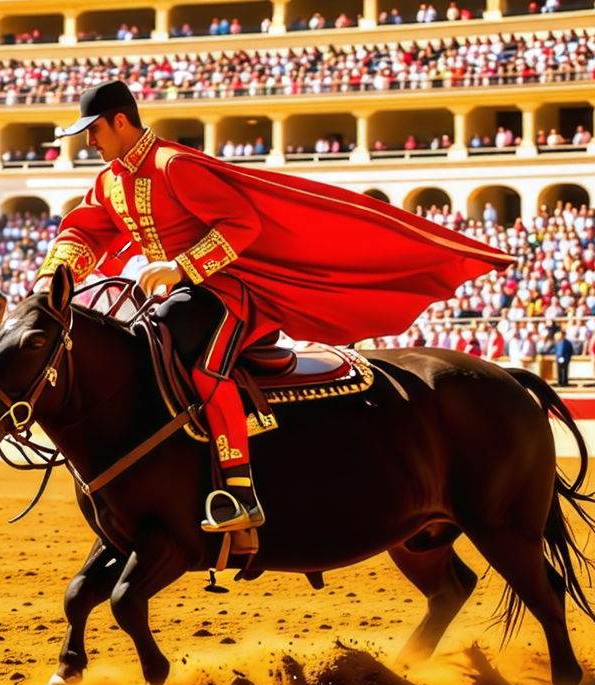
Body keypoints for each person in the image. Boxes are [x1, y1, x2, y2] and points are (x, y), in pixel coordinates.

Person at [34, 80, 510, 534]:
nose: (89, 142)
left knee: (201, 368)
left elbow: (241, 226)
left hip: (225, 293)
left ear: (120, 122)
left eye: (92, 131)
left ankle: (239, 492)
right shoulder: (110, 181)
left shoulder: (175, 165)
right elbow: (84, 232)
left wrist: (181, 268)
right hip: (174, 295)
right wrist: (50, 281)